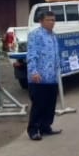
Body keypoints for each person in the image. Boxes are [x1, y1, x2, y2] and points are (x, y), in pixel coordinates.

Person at [26, 9, 62, 142]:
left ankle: (45, 126)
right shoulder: (35, 35)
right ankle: (33, 129)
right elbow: (31, 54)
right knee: (39, 104)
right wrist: (33, 71)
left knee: (50, 103)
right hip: (39, 77)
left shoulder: (53, 35)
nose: (52, 23)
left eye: (53, 20)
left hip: (51, 76)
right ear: (41, 21)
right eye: (49, 20)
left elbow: (56, 54)